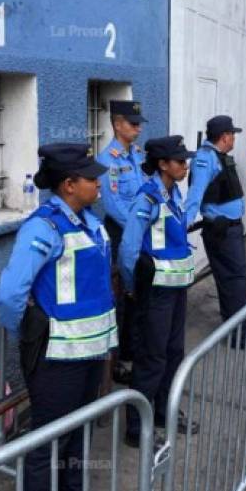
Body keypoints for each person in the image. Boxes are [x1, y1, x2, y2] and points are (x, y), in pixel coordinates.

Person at [0, 144, 117, 491]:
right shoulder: (44, 227)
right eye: (91, 178)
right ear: (68, 185)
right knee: (48, 443)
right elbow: (10, 294)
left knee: (79, 436)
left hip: (91, 353)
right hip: (56, 358)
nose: (99, 183)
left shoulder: (90, 221)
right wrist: (29, 336)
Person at [119, 136, 200, 448]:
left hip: (176, 288)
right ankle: (136, 428)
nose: (185, 165)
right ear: (163, 165)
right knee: (151, 357)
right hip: (155, 294)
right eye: (180, 161)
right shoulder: (148, 199)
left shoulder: (173, 193)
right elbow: (128, 249)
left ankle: (164, 411)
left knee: (173, 353)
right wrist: (131, 288)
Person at [185, 115, 246, 351]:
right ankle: (239, 335)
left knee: (231, 282)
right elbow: (194, 196)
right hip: (221, 231)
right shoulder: (205, 159)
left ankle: (232, 328)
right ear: (224, 136)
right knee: (235, 281)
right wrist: (181, 230)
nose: (234, 139)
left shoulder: (217, 157)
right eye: (233, 134)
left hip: (229, 229)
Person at [97, 100, 147, 385]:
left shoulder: (137, 156)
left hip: (139, 233)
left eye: (139, 123)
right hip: (122, 234)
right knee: (121, 298)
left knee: (138, 294)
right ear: (117, 124)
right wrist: (139, 227)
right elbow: (114, 205)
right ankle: (116, 363)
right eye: (132, 123)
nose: (137, 127)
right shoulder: (109, 160)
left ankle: (132, 352)